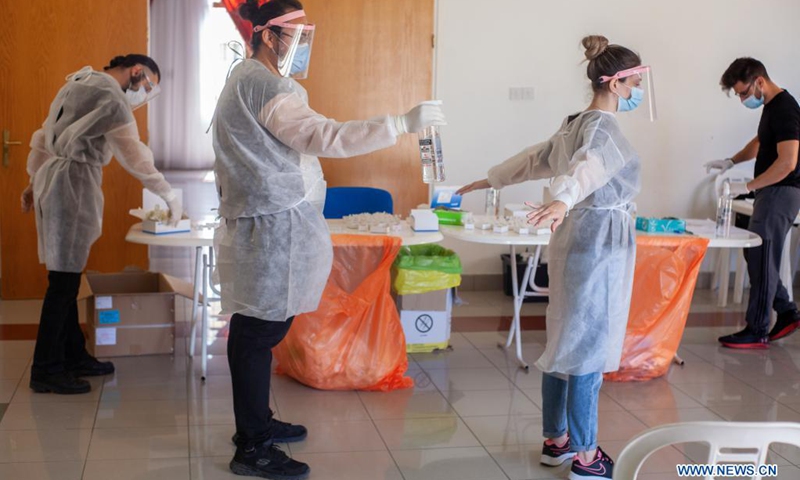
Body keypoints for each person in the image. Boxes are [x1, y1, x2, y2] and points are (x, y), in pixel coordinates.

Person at [212, 1, 446, 479]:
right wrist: (399, 124)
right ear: (264, 33)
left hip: (272, 222)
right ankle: (251, 446)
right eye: (292, 32)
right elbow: (323, 137)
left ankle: (256, 424)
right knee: (258, 333)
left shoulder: (251, 80)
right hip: (271, 226)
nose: (302, 42)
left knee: (262, 329)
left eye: (306, 31)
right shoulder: (263, 83)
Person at [458, 35, 648, 480]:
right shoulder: (602, 128)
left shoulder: (575, 121)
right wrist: (563, 199)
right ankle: (585, 457)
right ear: (617, 83)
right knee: (586, 349)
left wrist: (491, 179)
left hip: (577, 241)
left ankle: (555, 440)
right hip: (597, 243)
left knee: (565, 341)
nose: (639, 90)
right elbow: (587, 169)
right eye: (636, 82)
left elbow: (537, 158)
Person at [20, 54, 180, 395]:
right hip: (71, 186)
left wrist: (33, 180)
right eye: (147, 85)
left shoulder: (78, 82)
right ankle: (46, 370)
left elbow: (42, 134)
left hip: (54, 180)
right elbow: (133, 155)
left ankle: (74, 355)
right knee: (62, 282)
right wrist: (169, 194)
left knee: (67, 277)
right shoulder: (110, 96)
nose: (143, 93)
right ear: (136, 71)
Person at [707, 58, 800, 349]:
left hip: (781, 192)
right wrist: (731, 161)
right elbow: (759, 142)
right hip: (770, 193)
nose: (743, 99)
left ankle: (758, 329)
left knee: (762, 256)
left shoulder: (785, 109)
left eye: (744, 93)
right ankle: (786, 311)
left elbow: (787, 163)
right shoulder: (772, 108)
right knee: (758, 255)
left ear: (760, 81)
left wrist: (746, 186)